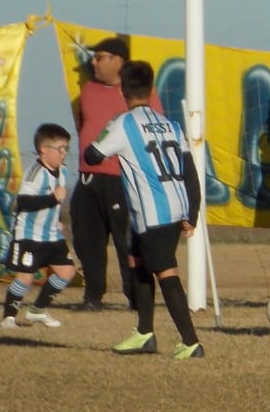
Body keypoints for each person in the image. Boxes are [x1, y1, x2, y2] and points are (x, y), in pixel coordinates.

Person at [83, 61, 206, 359]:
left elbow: (92, 155)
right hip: (170, 208)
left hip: (154, 213)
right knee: (136, 262)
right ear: (152, 91)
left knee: (166, 273)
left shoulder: (123, 123)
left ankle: (191, 342)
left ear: (123, 92)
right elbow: (190, 172)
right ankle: (144, 333)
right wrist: (192, 213)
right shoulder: (171, 124)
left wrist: (103, 139)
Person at [70, 36, 149, 310]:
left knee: (127, 243)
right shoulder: (88, 90)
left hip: (122, 179)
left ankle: (136, 298)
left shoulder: (136, 93)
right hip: (88, 177)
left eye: (100, 56)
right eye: (93, 57)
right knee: (87, 240)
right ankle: (93, 295)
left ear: (118, 61)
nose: (93, 62)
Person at [0, 123, 76, 330]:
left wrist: (56, 218)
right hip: (29, 235)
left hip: (51, 235)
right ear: (44, 150)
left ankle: (37, 310)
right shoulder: (35, 173)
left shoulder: (63, 171)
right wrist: (52, 199)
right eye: (60, 149)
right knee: (26, 277)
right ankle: (9, 317)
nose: (64, 153)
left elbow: (55, 202)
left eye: (66, 148)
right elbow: (24, 202)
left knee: (66, 272)